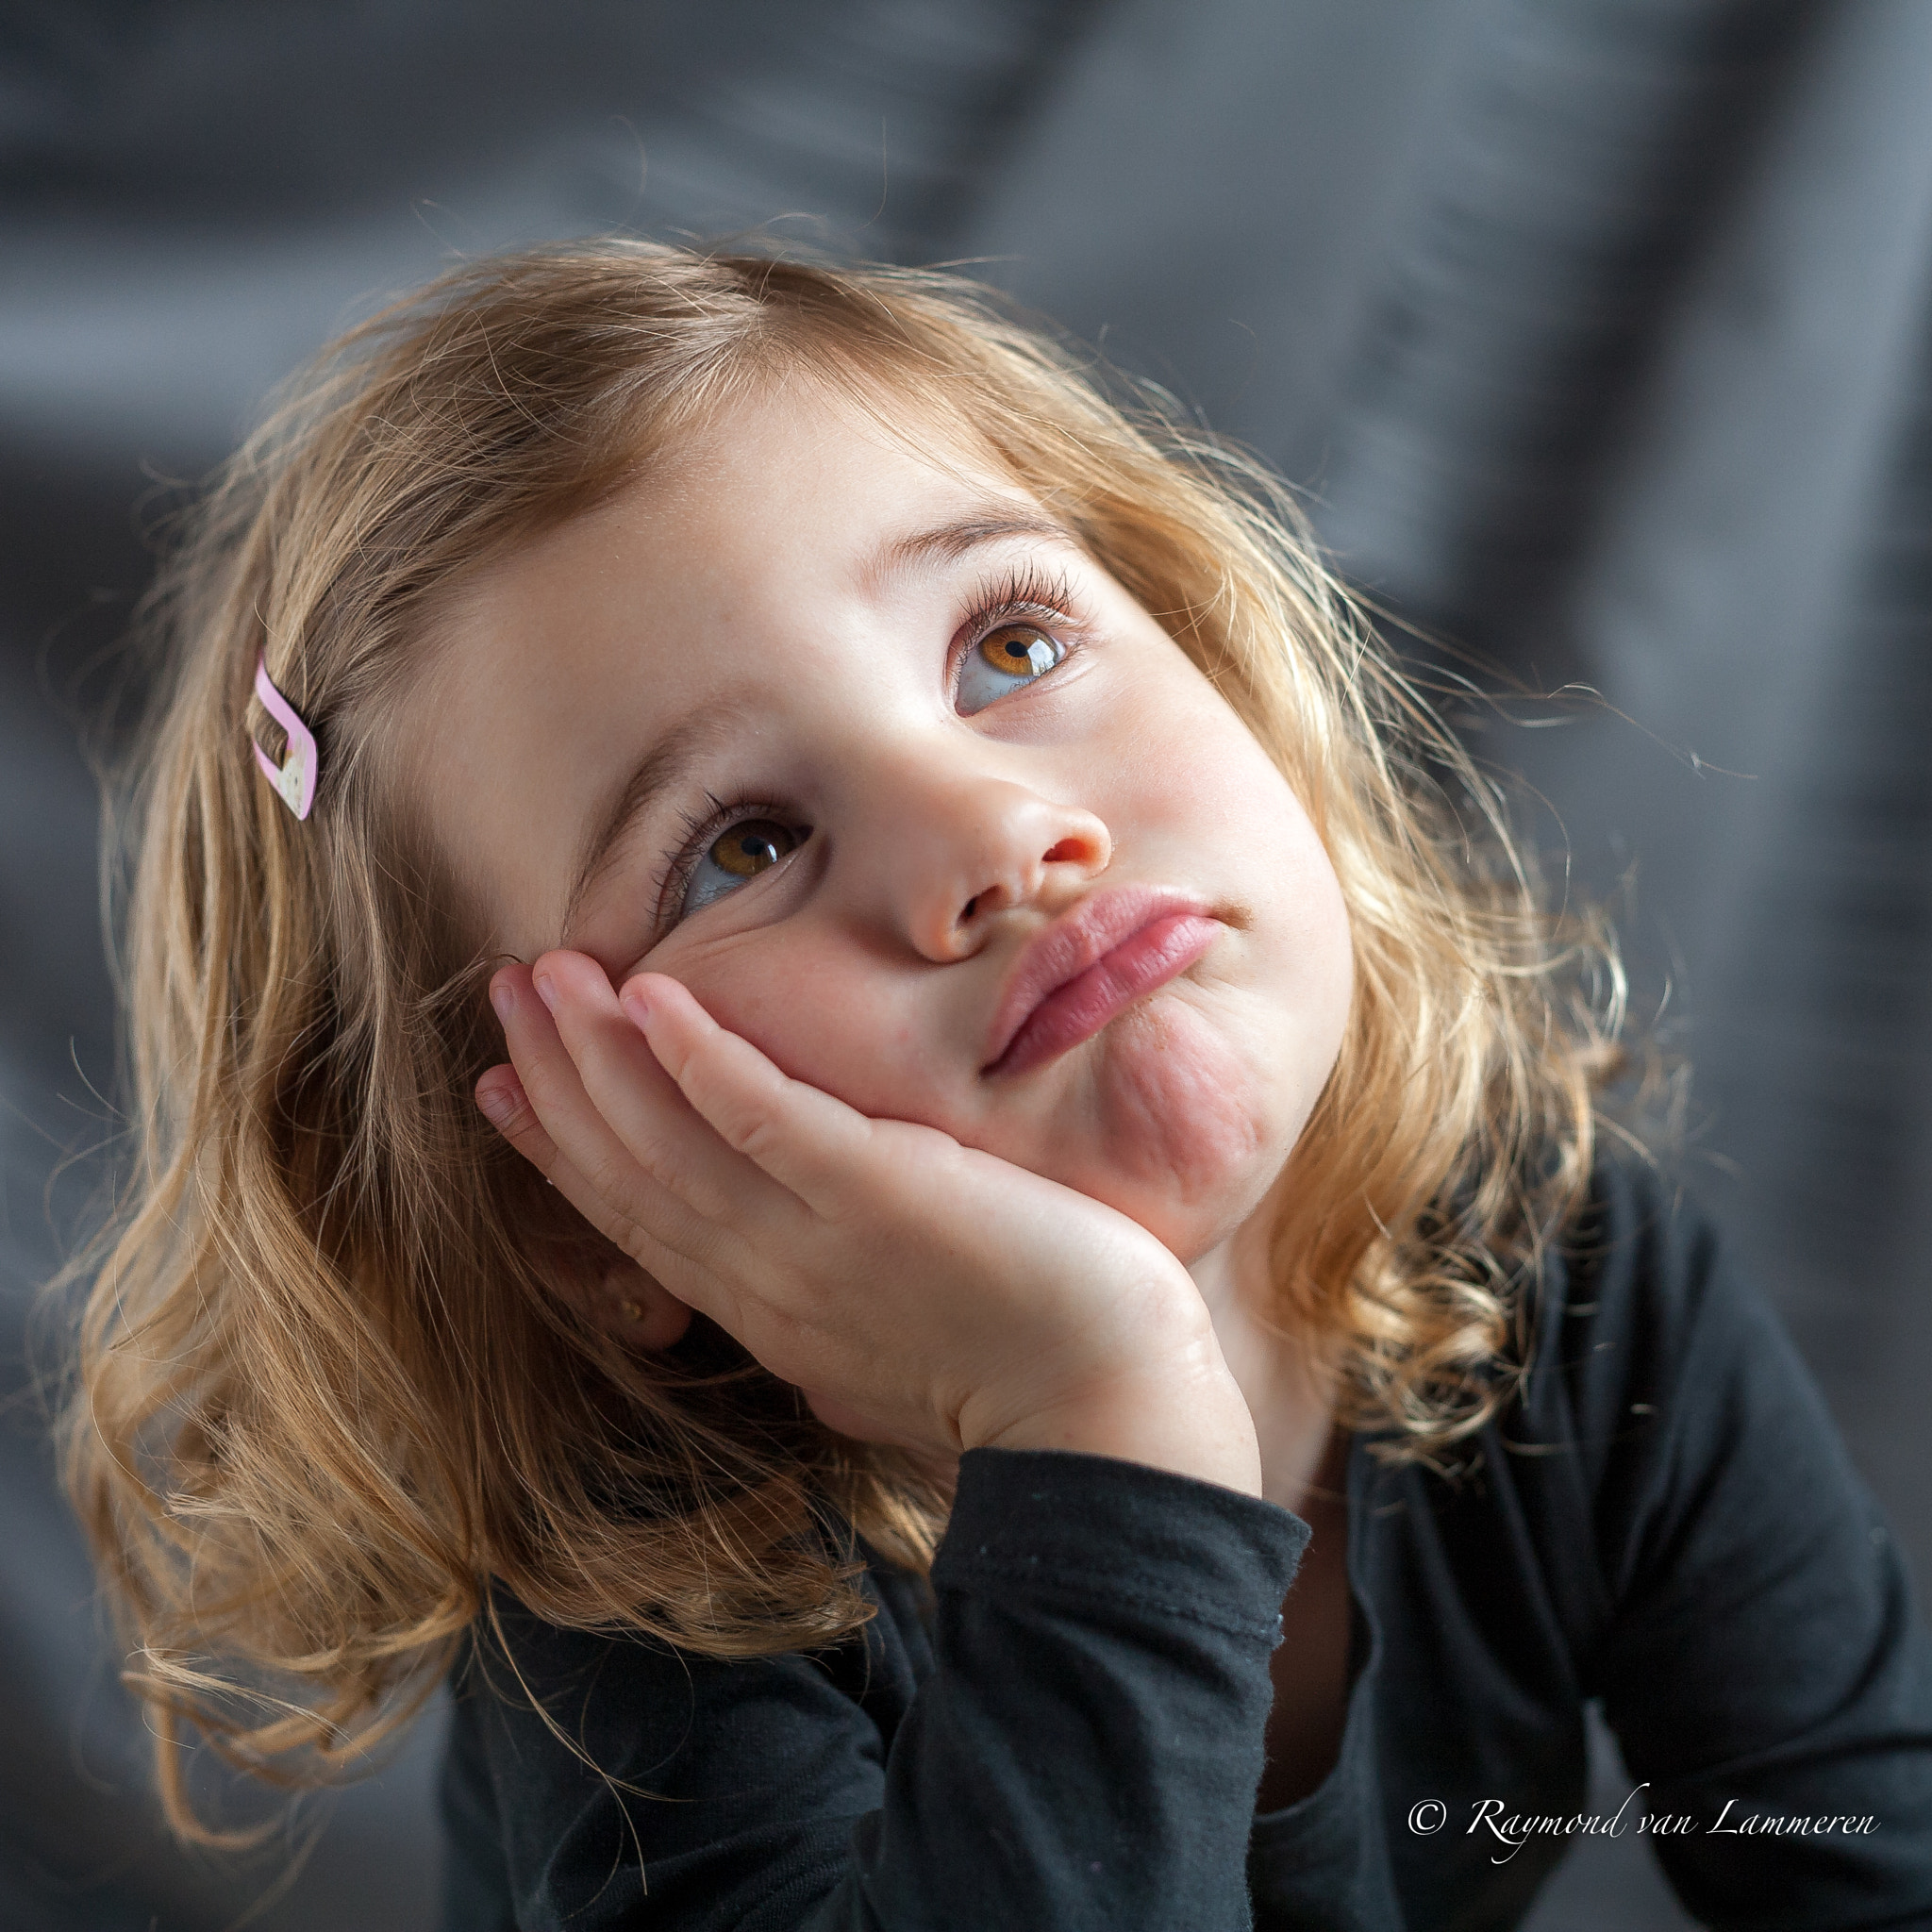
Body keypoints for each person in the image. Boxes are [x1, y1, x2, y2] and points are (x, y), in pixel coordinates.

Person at [62, 242, 1932, 1931]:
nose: (1000, 829)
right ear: (576, 1196)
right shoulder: (650, 1607)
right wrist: (1091, 1413)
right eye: (741, 844)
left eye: (1009, 644)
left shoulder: (1550, 1254)